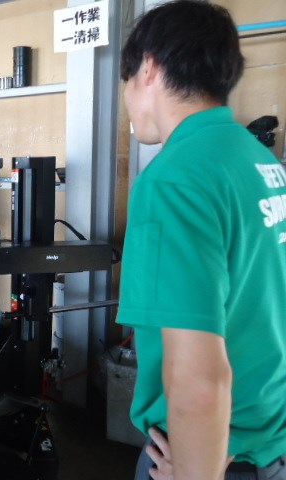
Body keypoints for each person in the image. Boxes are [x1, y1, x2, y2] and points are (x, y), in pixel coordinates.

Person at [116, 1, 286, 479]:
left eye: (126, 79)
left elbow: (198, 381)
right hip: (267, 445)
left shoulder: (172, 181)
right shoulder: (260, 162)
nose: (127, 97)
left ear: (149, 68)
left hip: (205, 458)